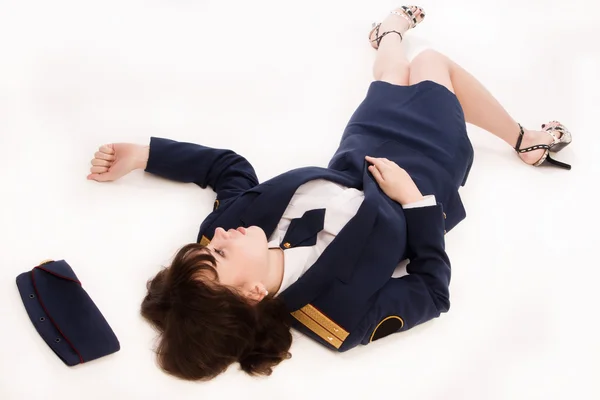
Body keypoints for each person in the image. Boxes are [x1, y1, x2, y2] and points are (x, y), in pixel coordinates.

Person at [87, 5, 572, 381]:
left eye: (206, 246)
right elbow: (432, 291)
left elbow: (227, 168)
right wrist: (415, 203)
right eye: (218, 255)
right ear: (254, 293)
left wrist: (145, 154)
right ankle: (522, 140)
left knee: (389, 78)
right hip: (426, 170)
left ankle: (389, 35)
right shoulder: (340, 317)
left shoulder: (227, 226)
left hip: (363, 141)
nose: (219, 236)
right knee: (432, 63)